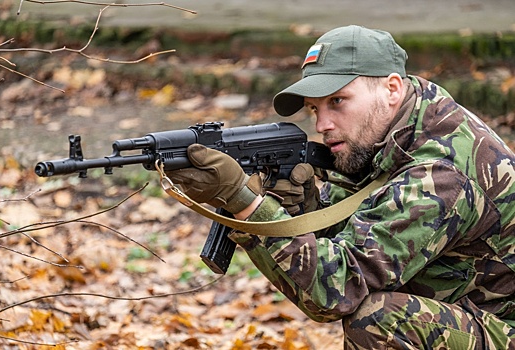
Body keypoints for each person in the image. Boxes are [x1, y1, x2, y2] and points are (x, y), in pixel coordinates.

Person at [167, 25, 515, 349]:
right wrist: (307, 212)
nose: (323, 124)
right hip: (469, 309)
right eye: (314, 108)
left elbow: (336, 290)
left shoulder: (439, 171)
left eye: (337, 101)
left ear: (391, 88)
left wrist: (243, 201)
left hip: (503, 327)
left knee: (381, 319)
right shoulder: (396, 131)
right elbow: (355, 242)